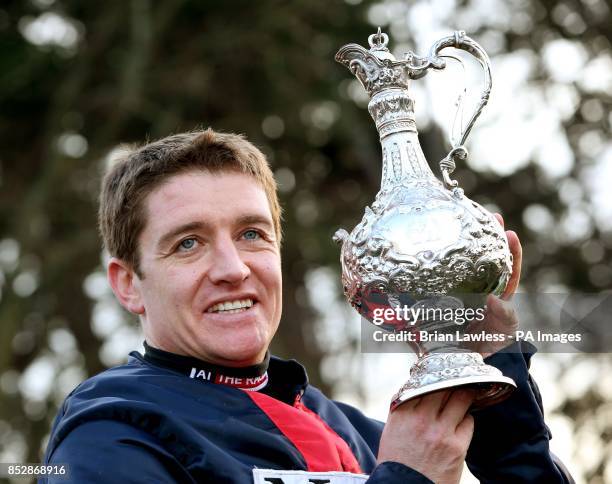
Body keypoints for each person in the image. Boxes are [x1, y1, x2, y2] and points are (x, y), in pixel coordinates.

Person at [41, 129, 572, 483]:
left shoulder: (365, 437)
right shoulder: (110, 434)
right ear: (128, 284)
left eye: (252, 234)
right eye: (188, 243)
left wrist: (496, 394)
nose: (232, 267)